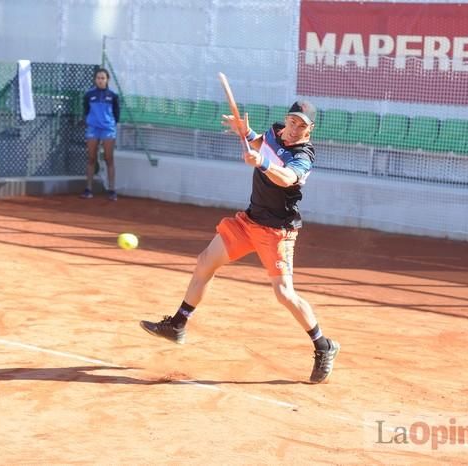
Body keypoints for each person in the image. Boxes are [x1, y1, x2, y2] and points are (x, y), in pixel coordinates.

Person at [140, 100, 341, 384]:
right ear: (286, 119)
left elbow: (286, 177)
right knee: (205, 262)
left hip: (276, 231)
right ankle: (178, 324)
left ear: (311, 129)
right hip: (248, 223)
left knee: (284, 293)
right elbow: (262, 143)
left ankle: (323, 345)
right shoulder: (275, 133)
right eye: (293, 122)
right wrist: (246, 134)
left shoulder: (304, 155)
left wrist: (264, 162)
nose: (295, 129)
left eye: (302, 125)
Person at [80, 68, 120, 201]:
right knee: (91, 158)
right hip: (93, 129)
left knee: (109, 158)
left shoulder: (113, 95)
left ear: (107, 79)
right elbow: (85, 110)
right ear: (95, 79)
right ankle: (88, 189)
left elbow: (117, 113)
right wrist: (90, 121)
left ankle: (112, 190)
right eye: (98, 78)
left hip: (108, 129)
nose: (100, 80)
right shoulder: (89, 94)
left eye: (103, 78)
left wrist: (110, 124)